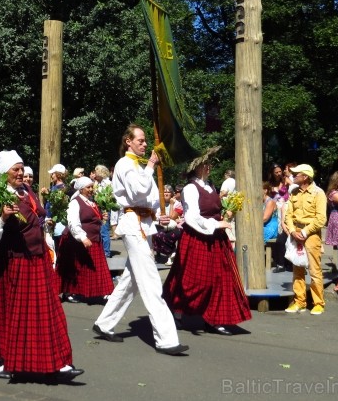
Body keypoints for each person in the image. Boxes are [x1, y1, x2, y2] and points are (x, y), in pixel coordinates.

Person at [0, 150, 83, 381]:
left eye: (21, 168)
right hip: (14, 263)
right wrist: (3, 217)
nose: (20, 173)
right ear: (2, 173)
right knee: (11, 314)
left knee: (48, 312)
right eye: (15, 169)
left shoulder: (27, 191)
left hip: (37, 260)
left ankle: (59, 361)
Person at [92, 124, 188, 355]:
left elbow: (151, 198)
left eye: (145, 141)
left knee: (132, 280)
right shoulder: (126, 165)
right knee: (151, 280)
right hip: (133, 226)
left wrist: (160, 215)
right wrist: (153, 166)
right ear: (128, 141)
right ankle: (166, 339)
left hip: (144, 225)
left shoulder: (140, 166)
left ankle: (104, 323)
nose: (145, 144)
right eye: (141, 140)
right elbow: (137, 193)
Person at [163, 147, 251, 335]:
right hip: (197, 239)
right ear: (197, 167)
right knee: (192, 280)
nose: (209, 166)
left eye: (209, 163)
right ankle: (175, 311)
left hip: (217, 241)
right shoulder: (190, 189)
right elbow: (192, 217)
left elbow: (213, 210)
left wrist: (226, 213)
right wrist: (216, 224)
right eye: (206, 164)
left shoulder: (210, 186)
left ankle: (215, 318)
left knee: (220, 279)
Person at [57, 176, 114, 304]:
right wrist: (82, 237)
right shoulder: (75, 202)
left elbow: (92, 219)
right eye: (88, 187)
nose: (91, 189)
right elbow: (73, 222)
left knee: (97, 268)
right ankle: (69, 292)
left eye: (91, 187)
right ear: (81, 189)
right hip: (79, 241)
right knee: (77, 268)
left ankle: (105, 292)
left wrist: (101, 217)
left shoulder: (90, 201)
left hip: (94, 239)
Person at [284, 164, 328, 315]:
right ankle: (299, 301)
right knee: (297, 268)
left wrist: (305, 231)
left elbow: (321, 218)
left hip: (311, 234)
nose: (293, 176)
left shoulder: (318, 193)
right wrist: (291, 230)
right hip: (296, 233)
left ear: (306, 177)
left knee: (315, 270)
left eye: (297, 174)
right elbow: (288, 215)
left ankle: (318, 303)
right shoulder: (294, 192)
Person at [152, 184, 182, 264]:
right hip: (159, 226)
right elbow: (153, 215)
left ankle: (170, 253)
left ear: (172, 193)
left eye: (168, 192)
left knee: (163, 235)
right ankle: (171, 252)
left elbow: (172, 217)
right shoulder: (157, 203)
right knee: (156, 234)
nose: (166, 194)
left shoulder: (177, 204)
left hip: (173, 227)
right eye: (164, 192)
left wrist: (171, 204)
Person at [93, 164, 115, 258]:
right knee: (99, 231)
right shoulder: (97, 183)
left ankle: (106, 252)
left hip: (105, 209)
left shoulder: (108, 184)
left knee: (104, 231)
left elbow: (111, 197)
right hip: (98, 209)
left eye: (96, 171)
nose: (94, 174)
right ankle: (101, 250)